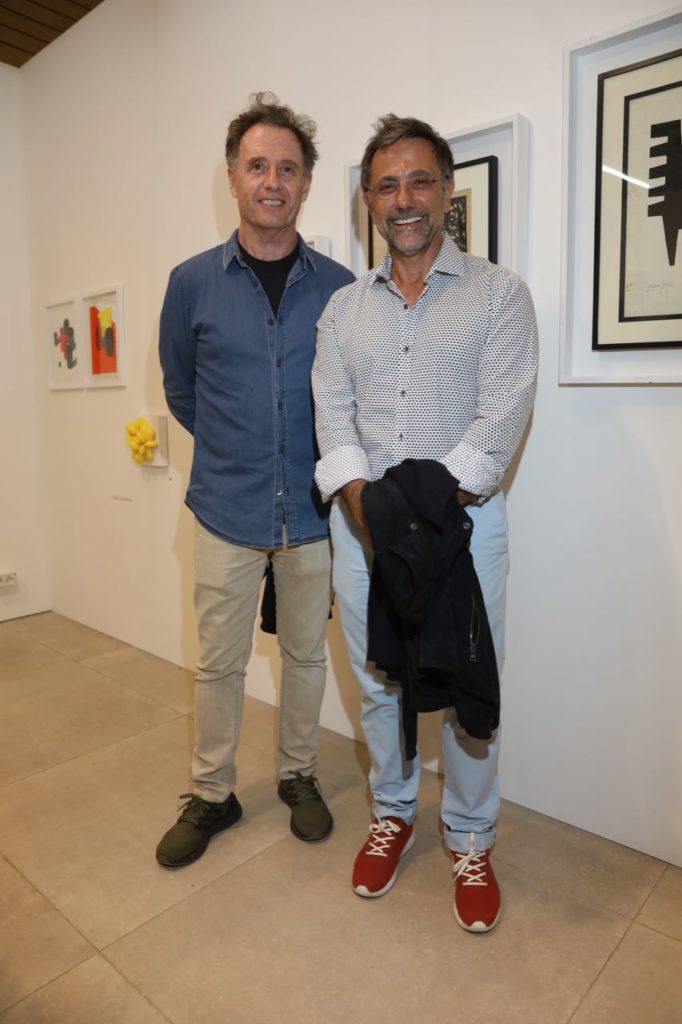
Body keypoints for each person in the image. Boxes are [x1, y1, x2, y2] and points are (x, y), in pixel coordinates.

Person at [312, 114, 538, 931]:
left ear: (446, 190)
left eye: (418, 181)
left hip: (466, 530)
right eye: (386, 185)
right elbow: (333, 420)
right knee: (380, 680)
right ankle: (394, 811)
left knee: (470, 679)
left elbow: (500, 420)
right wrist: (372, 513)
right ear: (369, 201)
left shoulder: (500, 295)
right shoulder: (341, 311)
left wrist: (423, 517)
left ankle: (471, 836)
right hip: (362, 531)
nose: (403, 199)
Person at [157, 93, 354, 868]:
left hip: (312, 511)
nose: (273, 181)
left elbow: (350, 394)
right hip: (225, 510)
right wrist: (241, 450)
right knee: (218, 664)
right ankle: (213, 792)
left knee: (305, 657)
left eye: (288, 169)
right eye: (258, 166)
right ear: (234, 178)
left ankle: (298, 775)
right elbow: (182, 391)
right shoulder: (190, 283)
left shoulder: (340, 287)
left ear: (305, 184)